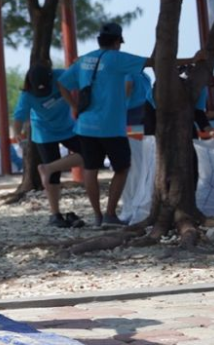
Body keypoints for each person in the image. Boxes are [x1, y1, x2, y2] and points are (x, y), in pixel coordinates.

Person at [58, 22, 198, 228]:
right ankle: (110, 213)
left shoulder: (84, 59)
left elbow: (61, 83)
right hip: (111, 126)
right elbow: (156, 62)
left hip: (85, 126)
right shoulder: (117, 58)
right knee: (122, 168)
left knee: (90, 169)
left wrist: (73, 106)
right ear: (117, 42)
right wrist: (192, 60)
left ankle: (97, 215)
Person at [15, 65, 84, 228]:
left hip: (68, 127)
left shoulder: (61, 75)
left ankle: (48, 167)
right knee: (54, 177)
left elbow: (82, 81)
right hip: (44, 133)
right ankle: (55, 214)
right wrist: (17, 134)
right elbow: (18, 117)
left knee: (89, 154)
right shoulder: (26, 95)